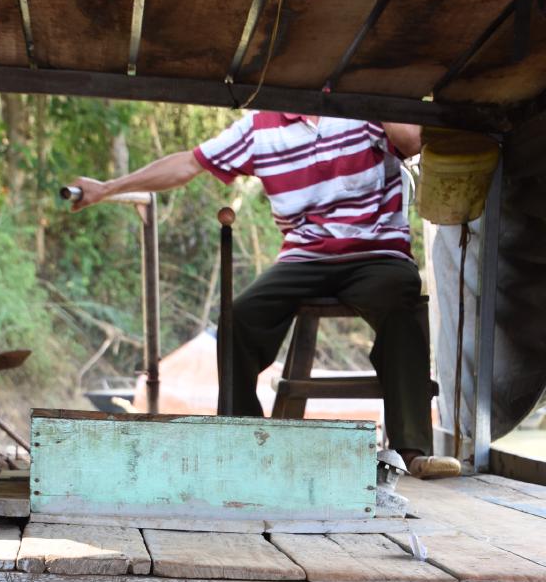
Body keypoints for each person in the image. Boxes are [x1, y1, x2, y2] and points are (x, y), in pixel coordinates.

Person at [71, 111, 460, 479]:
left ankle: (411, 451)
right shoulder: (260, 128)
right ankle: (244, 443)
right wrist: (108, 189)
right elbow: (188, 164)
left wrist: (369, 95)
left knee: (401, 300)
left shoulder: (361, 107)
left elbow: (411, 141)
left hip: (376, 252)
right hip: (304, 256)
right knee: (238, 318)